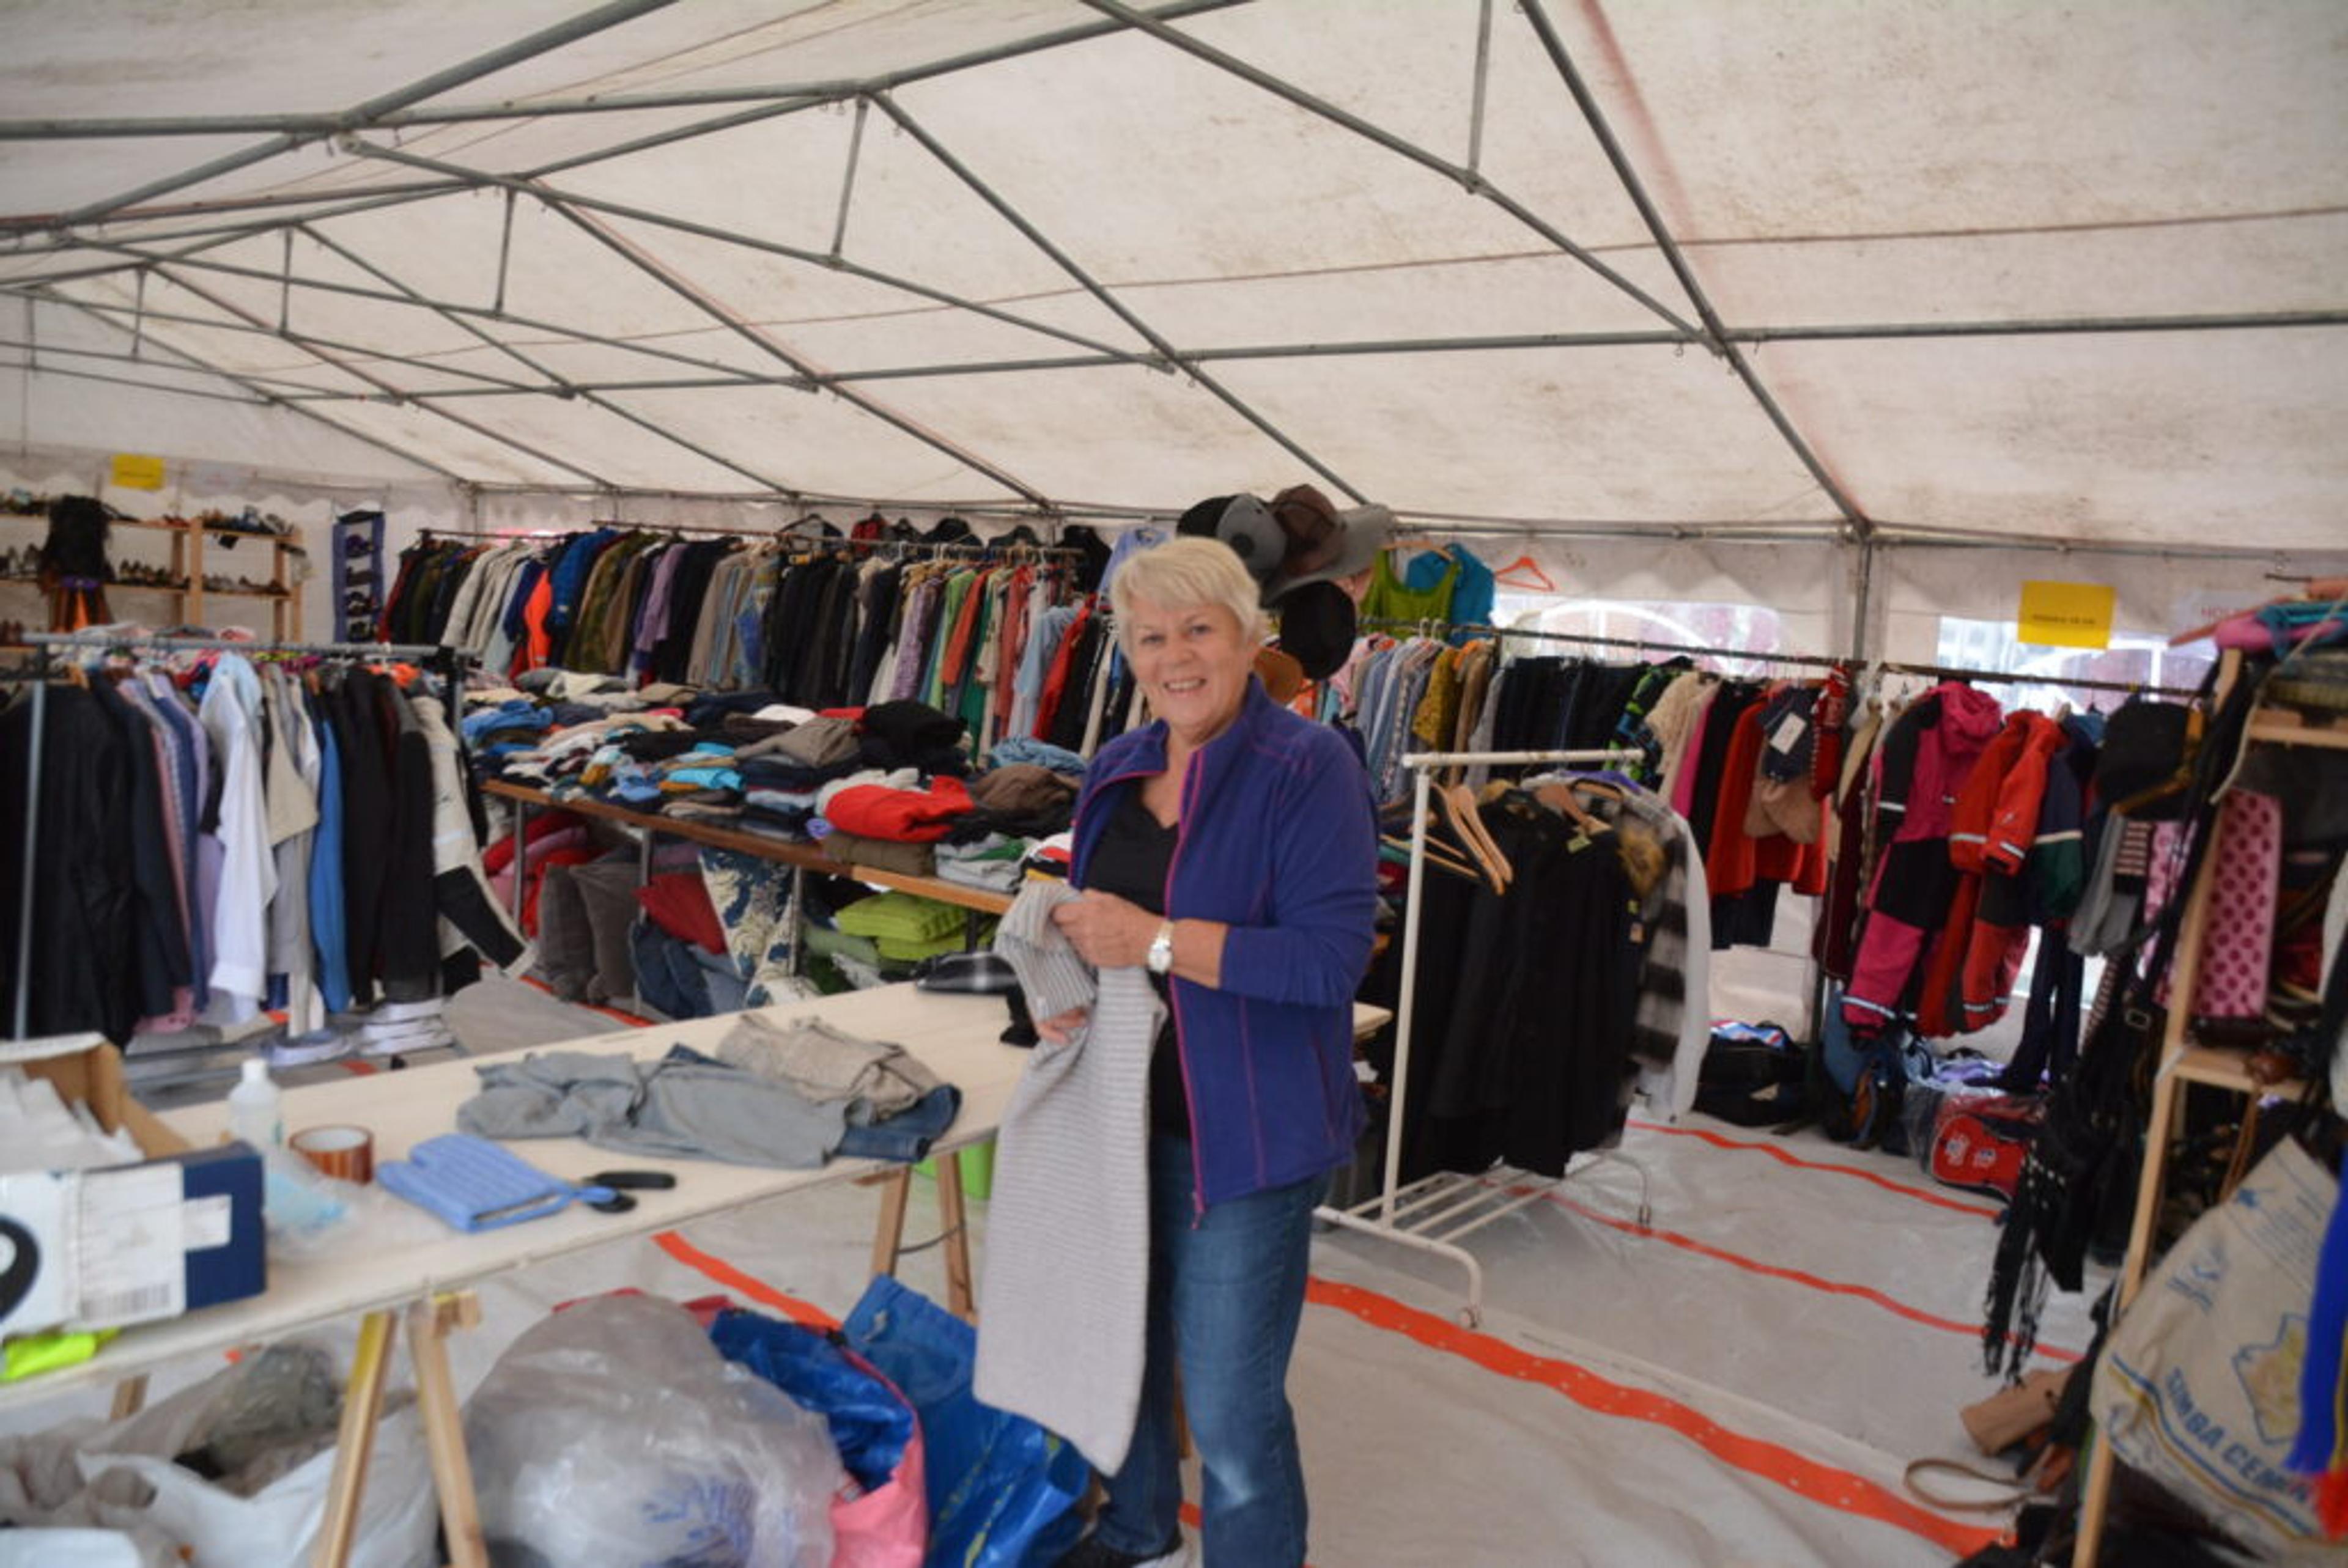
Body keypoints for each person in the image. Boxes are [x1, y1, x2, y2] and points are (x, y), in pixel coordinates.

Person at [1042, 535, 1379, 1568]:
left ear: (1249, 636)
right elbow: (1098, 926)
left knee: (1232, 1412)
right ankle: (1140, 1531)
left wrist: (1152, 940)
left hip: (1246, 1141)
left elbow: (1328, 962)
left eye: (1199, 629)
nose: (1175, 656)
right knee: (1125, 1356)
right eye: (1151, 637)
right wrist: (1070, 992)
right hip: (1119, 1116)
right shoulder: (1117, 765)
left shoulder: (1309, 768)